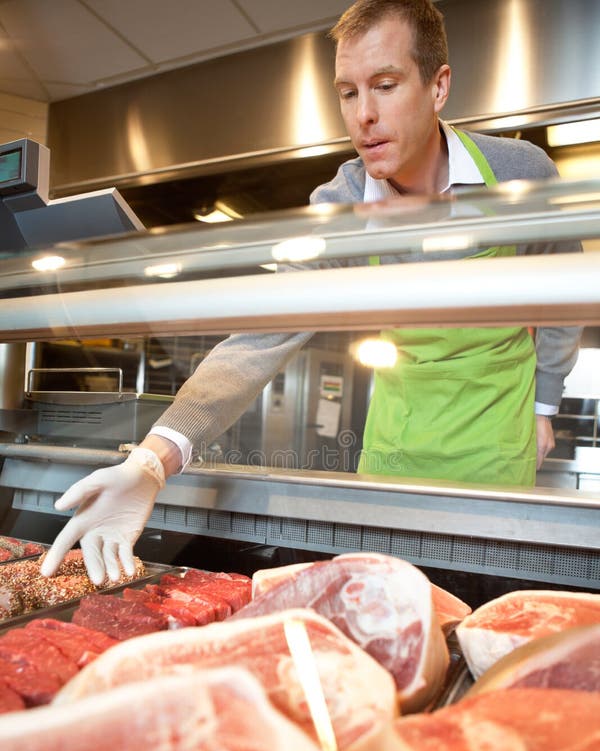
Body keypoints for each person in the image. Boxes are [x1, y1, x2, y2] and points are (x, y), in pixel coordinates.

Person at [40, 0, 581, 586]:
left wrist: (544, 404)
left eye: (385, 84)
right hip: (396, 442)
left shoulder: (519, 172)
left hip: (497, 436)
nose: (364, 115)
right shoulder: (341, 204)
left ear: (439, 85)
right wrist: (152, 459)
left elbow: (564, 294)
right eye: (348, 93)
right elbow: (260, 336)